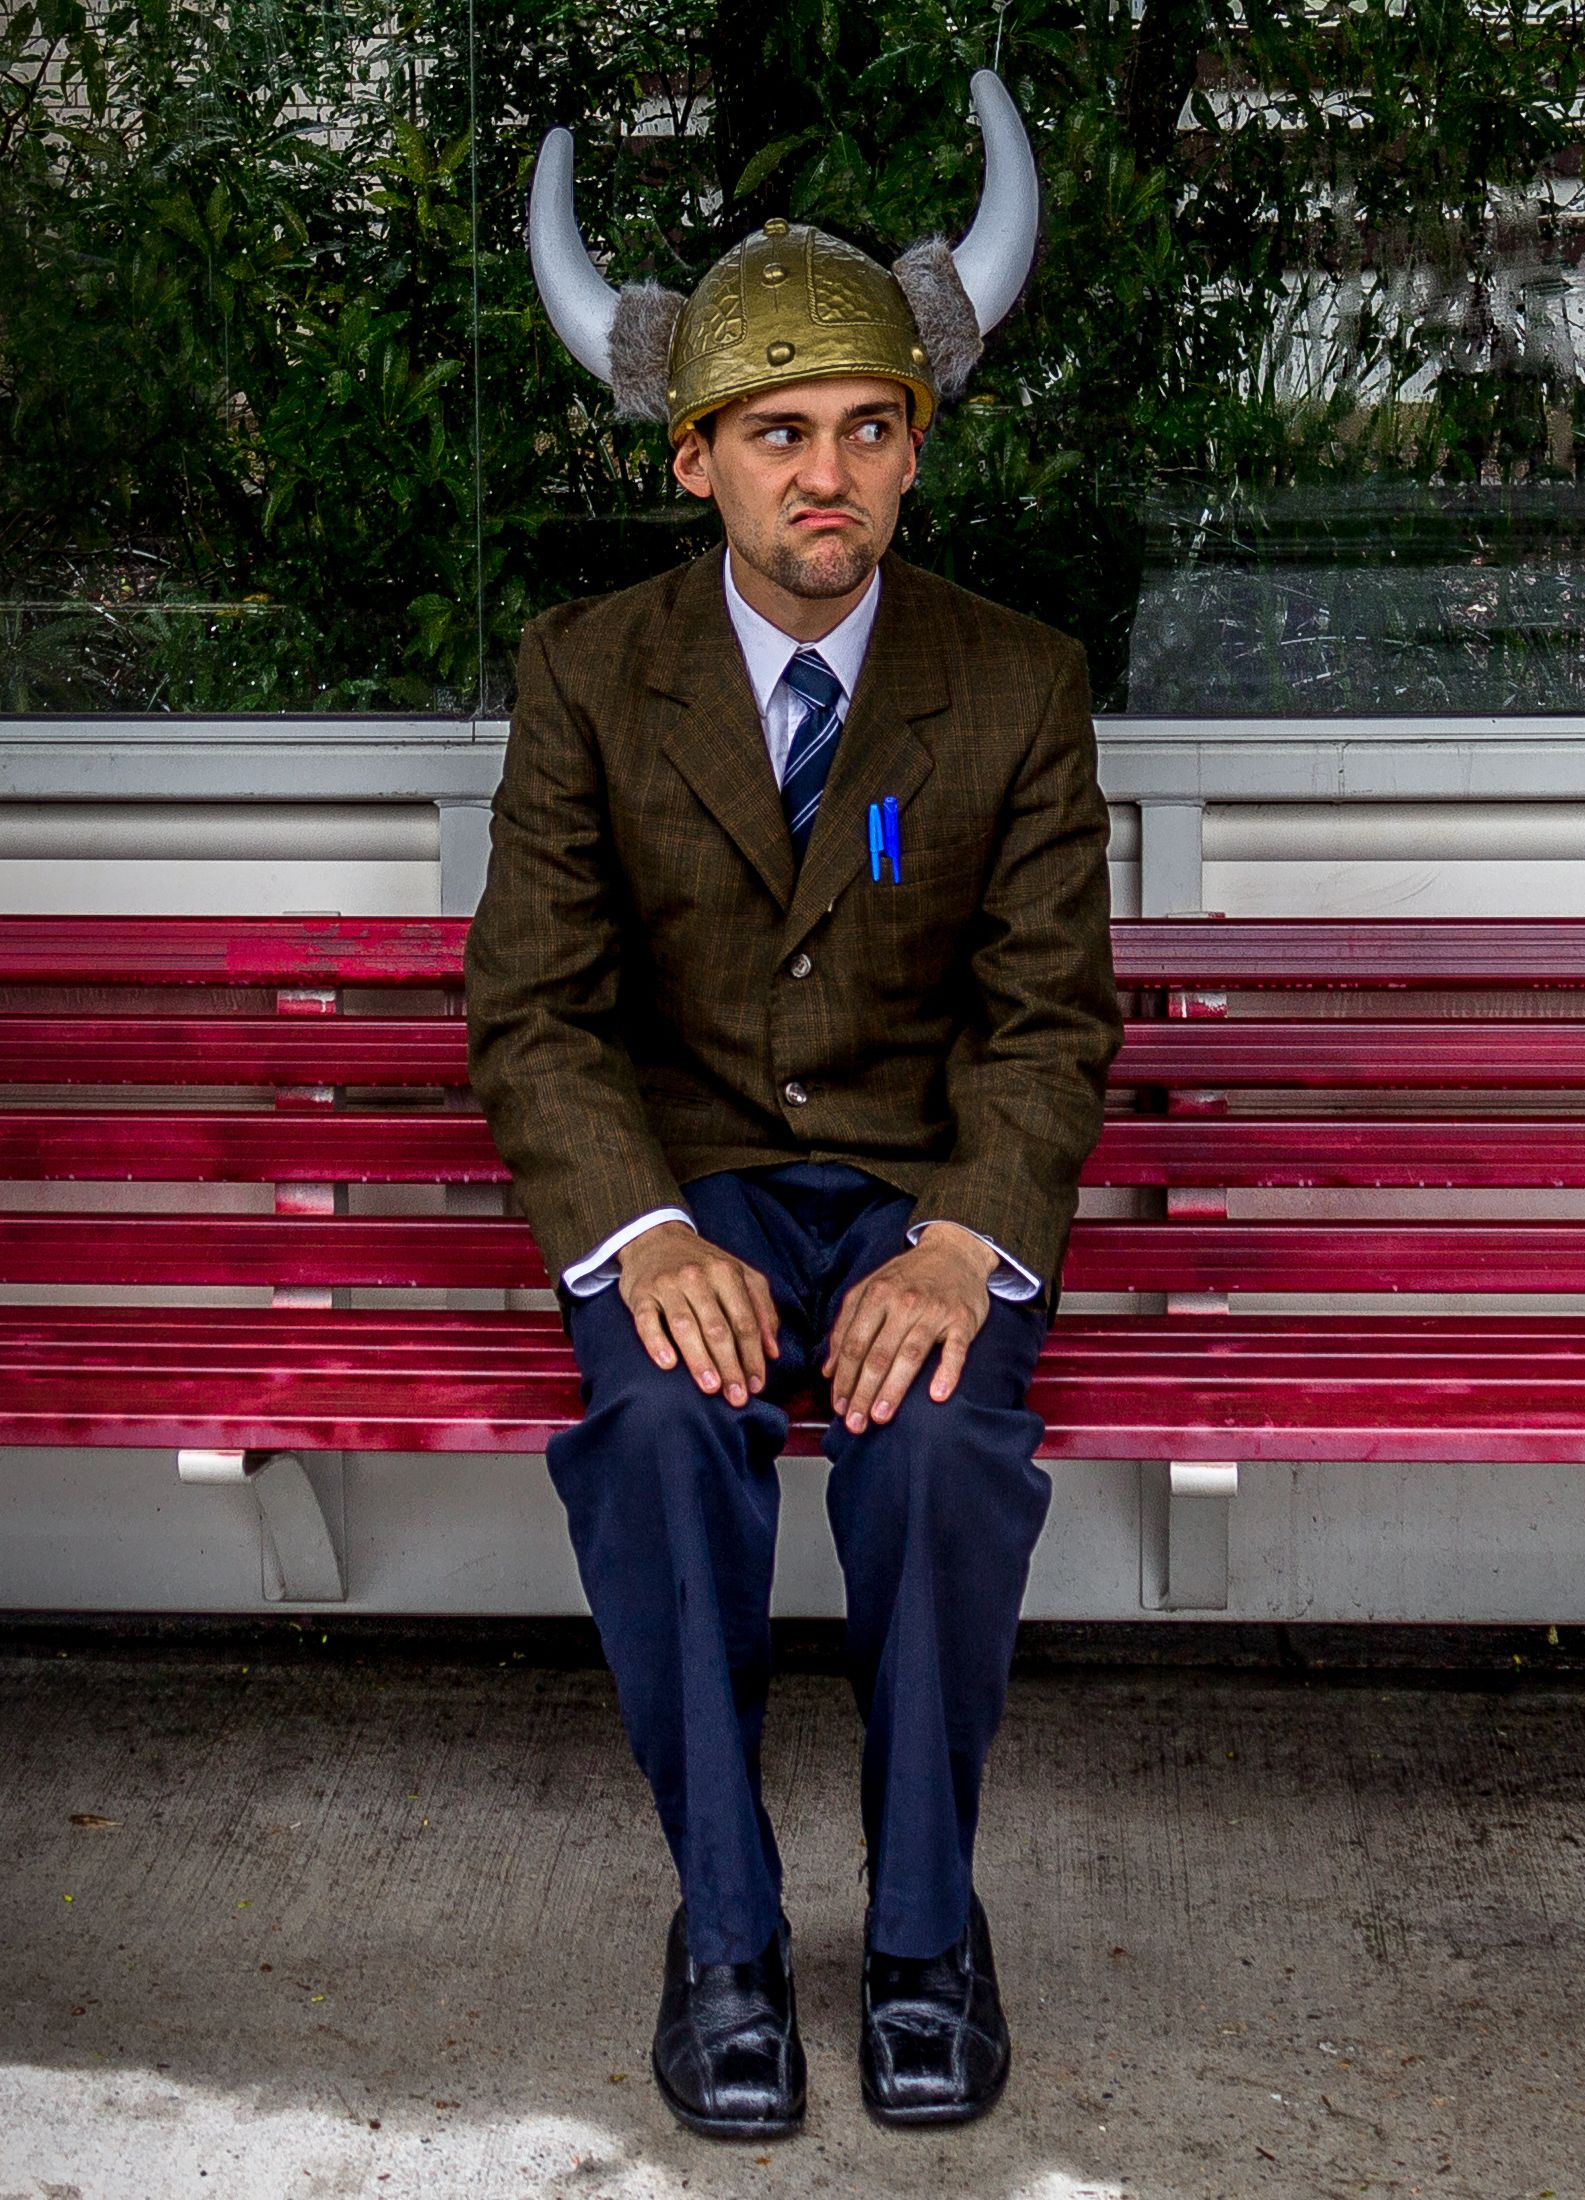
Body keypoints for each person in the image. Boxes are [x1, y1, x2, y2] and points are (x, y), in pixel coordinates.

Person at [464, 74, 1118, 2140]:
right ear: (697, 460)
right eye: (776, 431)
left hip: (919, 1192)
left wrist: (960, 1238)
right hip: (696, 1189)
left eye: (863, 426)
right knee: (660, 1423)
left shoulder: (1016, 683)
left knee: (932, 1447)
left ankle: (925, 1929)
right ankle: (727, 1931)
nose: (822, 473)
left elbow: (1049, 1015)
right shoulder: (587, 673)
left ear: (914, 447)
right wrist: (644, 1230)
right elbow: (538, 1008)